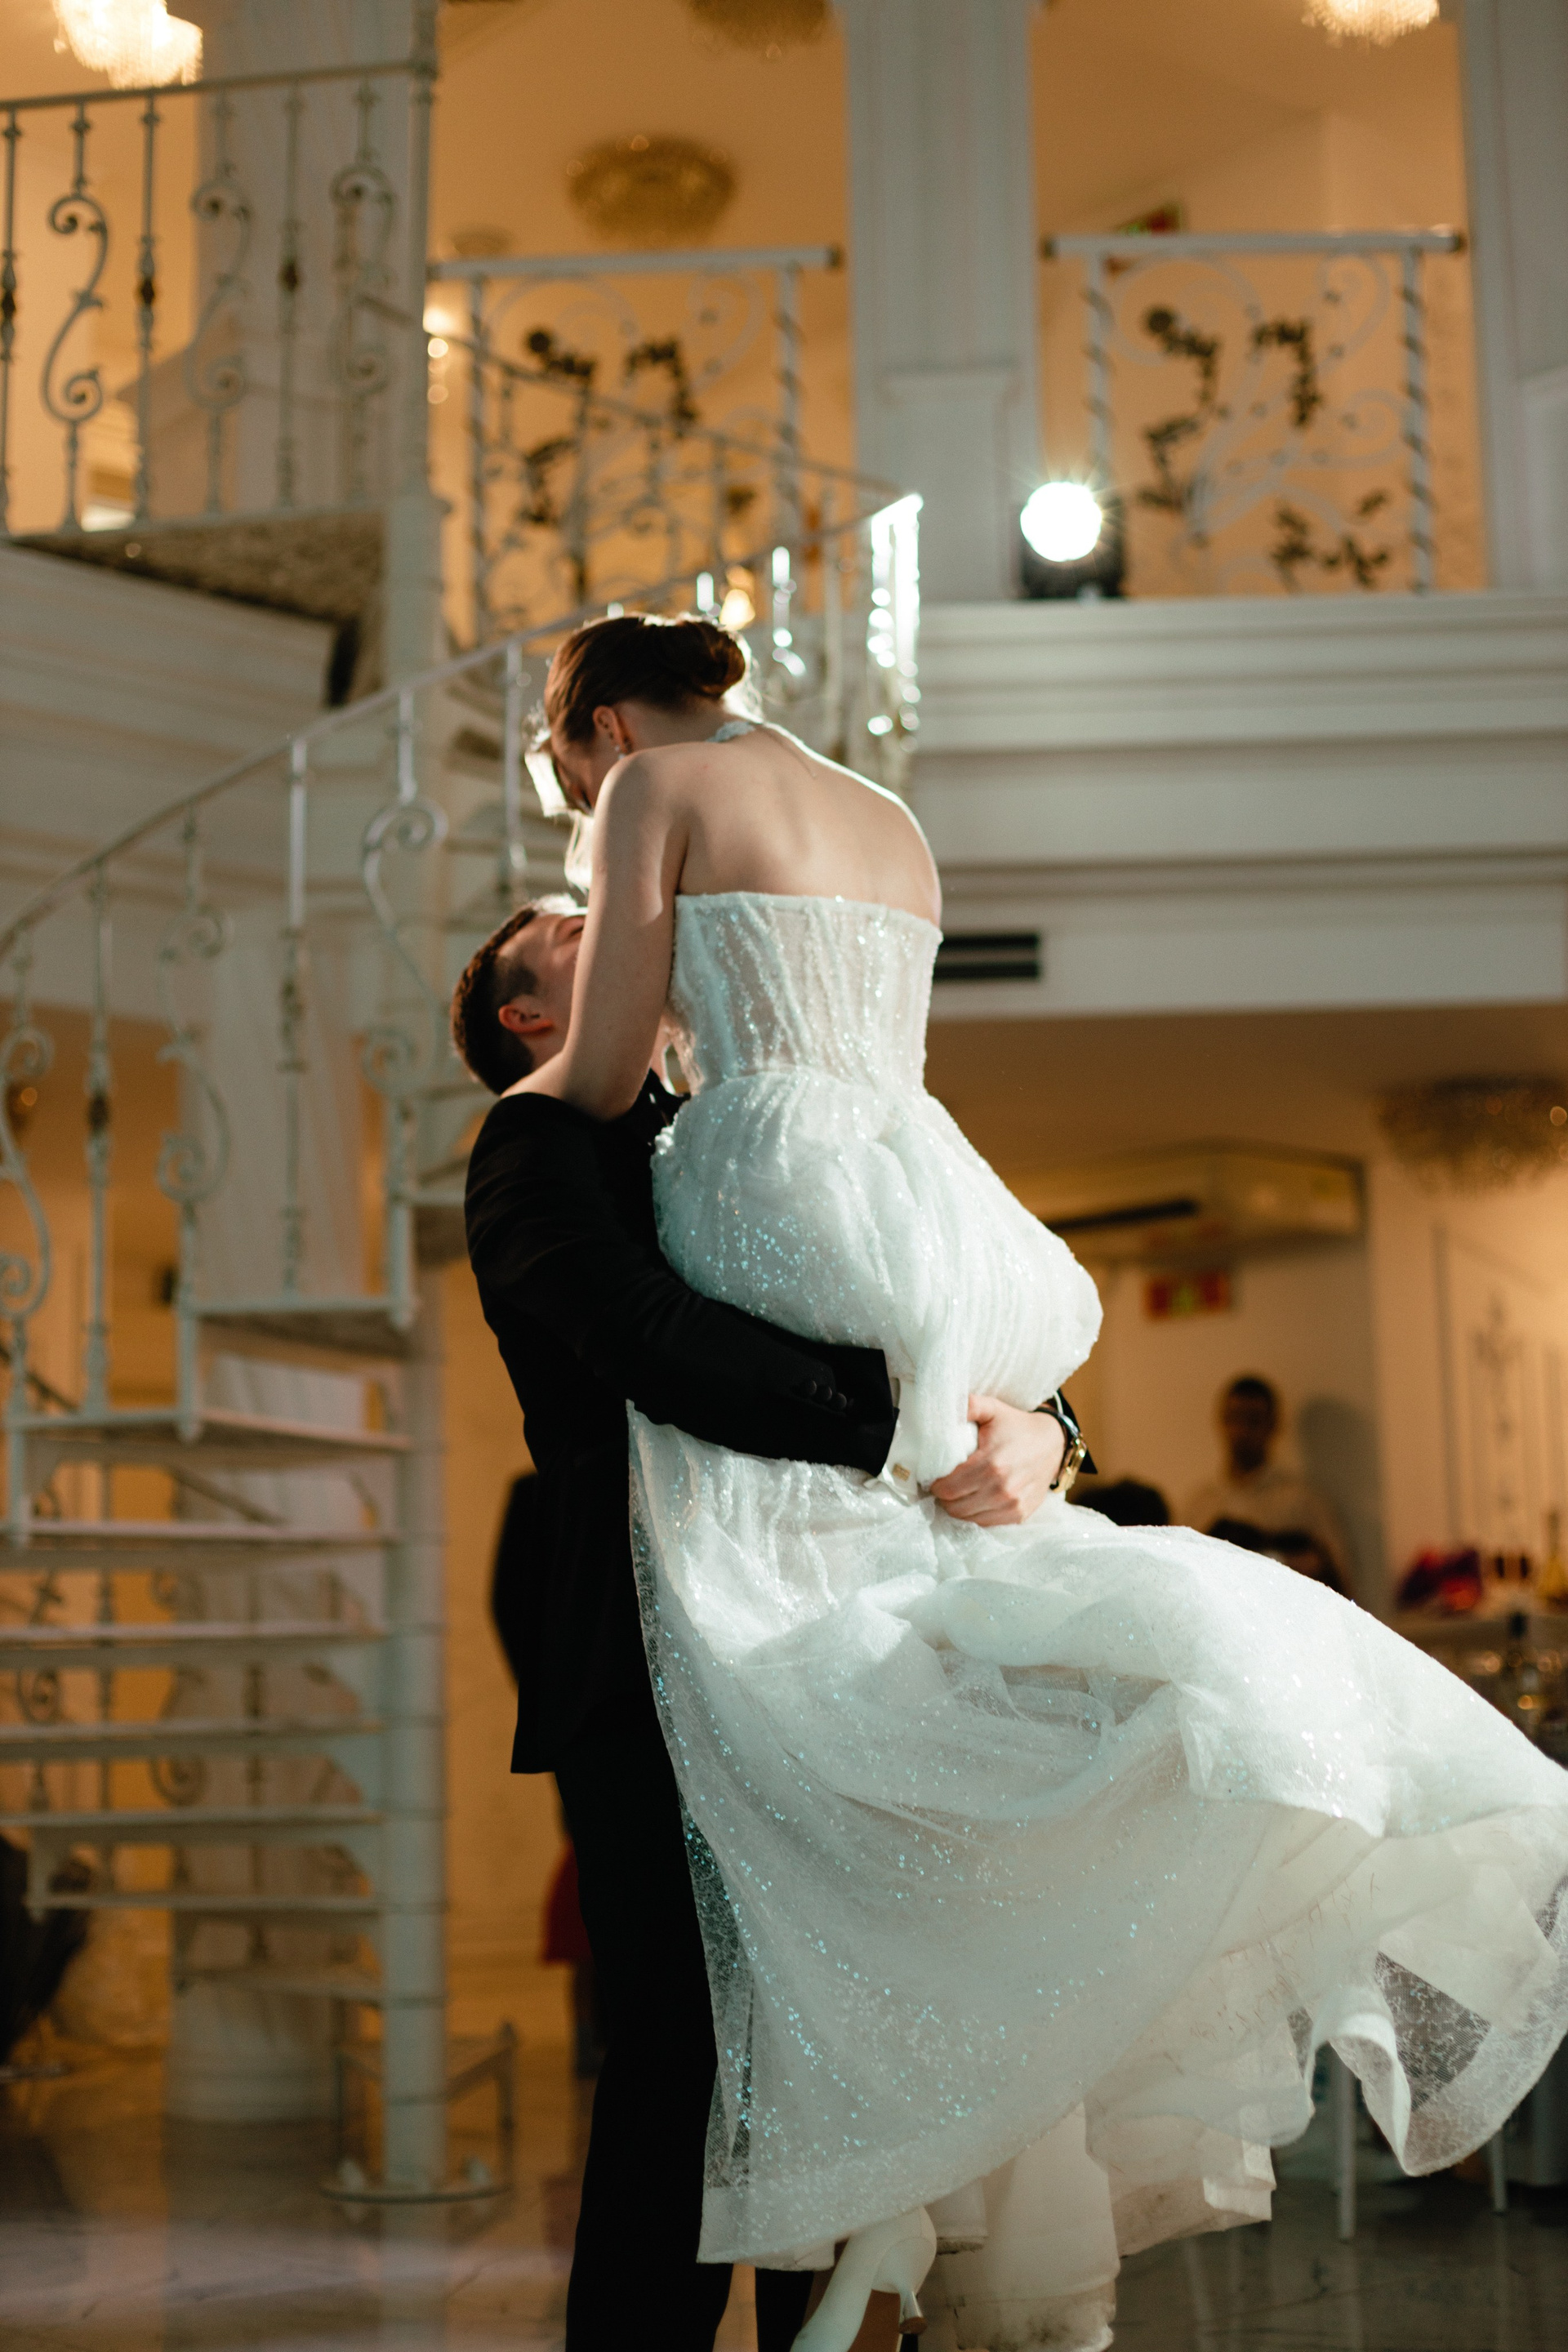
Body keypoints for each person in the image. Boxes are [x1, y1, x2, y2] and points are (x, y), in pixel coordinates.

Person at [511, 608, 1568, 2352]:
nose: (580, 827)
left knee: (804, 1607)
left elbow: (606, 1069)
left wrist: (548, 1079)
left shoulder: (648, 794)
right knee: (939, 1597)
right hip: (920, 1192)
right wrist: (1004, 1415)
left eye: (568, 781)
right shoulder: (888, 816)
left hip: (772, 1180)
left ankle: (865, 2173)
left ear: (602, 725)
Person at [457, 892, 1075, 2352]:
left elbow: (936, 1309)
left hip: (835, 1648)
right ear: (526, 1016)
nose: (611, 913)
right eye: (563, 925)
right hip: (653, 1662)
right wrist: (911, 1428)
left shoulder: (746, 1128)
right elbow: (653, 1342)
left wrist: (1049, 1431)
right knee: (682, 2067)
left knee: (842, 2061)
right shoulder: (532, 1142)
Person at [1184, 1374, 1349, 1590]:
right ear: (1222, 1422)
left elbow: (1338, 1580)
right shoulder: (1201, 1507)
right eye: (1235, 1419)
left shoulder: (1303, 1503)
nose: (1242, 1431)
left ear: (1273, 1425)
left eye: (1253, 1420)